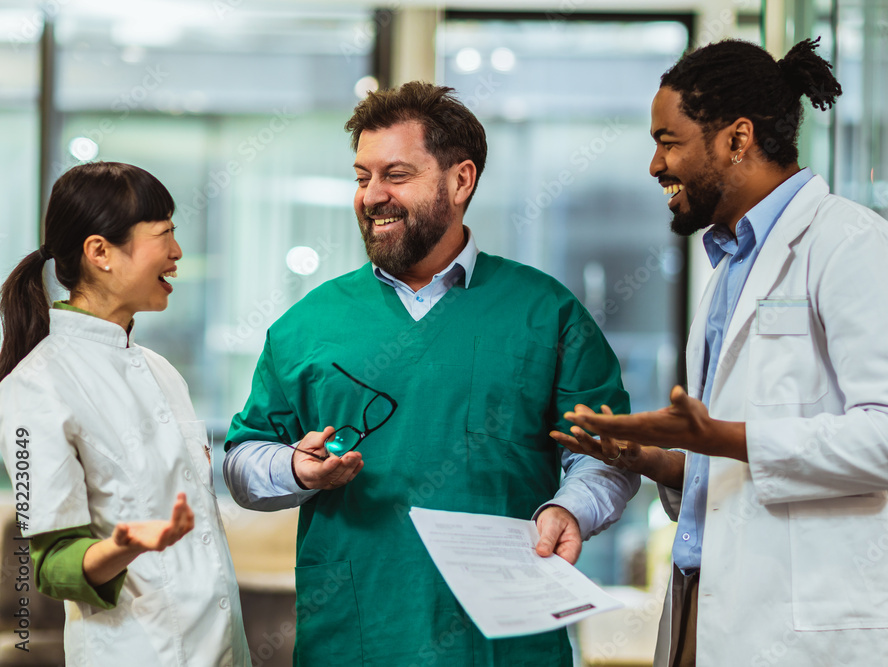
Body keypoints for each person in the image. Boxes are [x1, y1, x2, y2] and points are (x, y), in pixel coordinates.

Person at [223, 81, 639, 666]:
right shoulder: (307, 325)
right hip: (356, 638)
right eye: (362, 177)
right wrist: (295, 468)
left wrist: (570, 509)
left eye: (396, 175)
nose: (372, 196)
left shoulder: (545, 312)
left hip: (504, 644)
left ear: (460, 180)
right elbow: (242, 462)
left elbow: (608, 454)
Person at [552, 38, 888, 667]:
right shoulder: (730, 266)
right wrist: (659, 462)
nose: (655, 165)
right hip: (703, 606)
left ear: (738, 138)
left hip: (810, 630)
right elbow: (740, 464)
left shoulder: (851, 244)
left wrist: (722, 436)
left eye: (669, 141)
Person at [0, 162, 251, 666]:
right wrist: (125, 545)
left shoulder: (163, 372)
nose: (177, 252)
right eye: (164, 234)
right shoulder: (34, 386)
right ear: (100, 253)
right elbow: (50, 567)